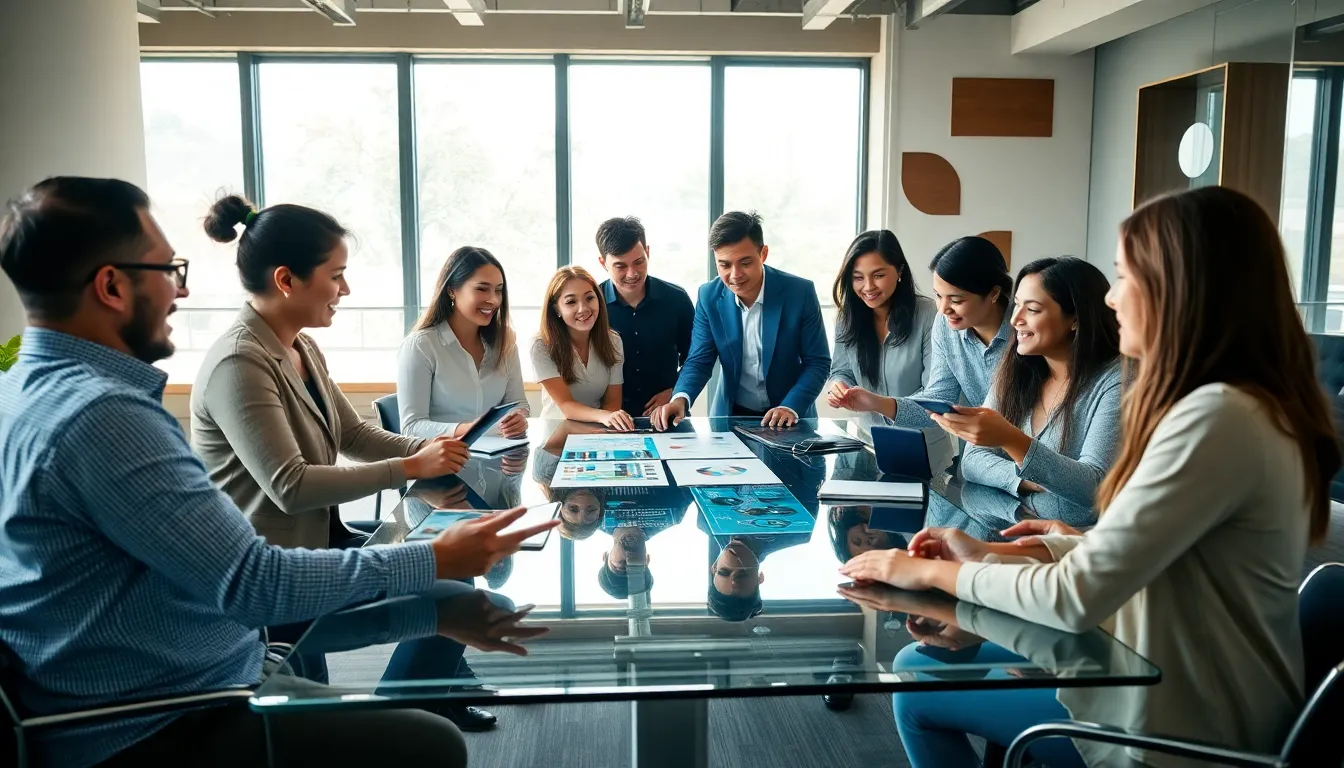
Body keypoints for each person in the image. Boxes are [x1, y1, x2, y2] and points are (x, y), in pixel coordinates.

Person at [0, 177, 556, 768]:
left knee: (431, 622)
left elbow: (340, 449)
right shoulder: (107, 415)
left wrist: (435, 601)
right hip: (167, 712)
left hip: (207, 655)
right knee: (432, 744)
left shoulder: (26, 392)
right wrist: (437, 558)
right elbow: (257, 584)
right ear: (111, 285)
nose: (181, 291)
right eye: (168, 270)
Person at [840, 186, 1341, 767]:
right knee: (925, 664)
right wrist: (994, 552)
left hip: (1178, 728)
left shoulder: (1215, 418)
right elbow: (1145, 546)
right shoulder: (1235, 407)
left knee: (917, 687)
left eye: (1124, 277)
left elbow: (1077, 593)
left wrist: (922, 569)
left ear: (1181, 289)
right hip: (1173, 679)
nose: (1110, 299)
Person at [193, 195, 469, 552]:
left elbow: (353, 436)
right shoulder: (238, 364)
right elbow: (292, 487)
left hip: (321, 544)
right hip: (269, 568)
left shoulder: (302, 347)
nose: (346, 289)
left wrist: (431, 449)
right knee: (454, 589)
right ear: (286, 280)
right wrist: (410, 466)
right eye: (336, 275)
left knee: (457, 565)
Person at [938, 256, 1122, 528]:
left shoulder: (1116, 381)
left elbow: (1094, 488)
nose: (1015, 320)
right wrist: (1023, 479)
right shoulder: (1017, 368)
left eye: (1032, 310)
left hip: (1076, 545)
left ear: (1075, 319)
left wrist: (1012, 440)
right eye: (1017, 306)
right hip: (1015, 526)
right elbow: (973, 461)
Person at [652, 211, 831, 430]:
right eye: (724, 265)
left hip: (790, 416)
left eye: (745, 262)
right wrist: (679, 399)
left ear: (763, 254)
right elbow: (699, 360)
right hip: (731, 417)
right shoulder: (709, 296)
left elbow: (818, 362)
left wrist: (790, 407)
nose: (735, 275)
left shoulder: (799, 293)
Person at [830, 236, 1012, 435]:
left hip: (1028, 453)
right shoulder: (945, 325)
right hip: (977, 456)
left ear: (994, 293)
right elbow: (939, 399)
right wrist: (875, 402)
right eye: (938, 296)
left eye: (956, 300)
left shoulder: (1024, 330)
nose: (943, 309)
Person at [825, 229, 953, 475]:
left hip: (924, 452)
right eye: (858, 277)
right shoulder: (847, 317)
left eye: (879, 275)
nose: (868, 287)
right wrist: (838, 387)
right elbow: (841, 370)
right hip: (866, 449)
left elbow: (935, 399)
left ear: (900, 271)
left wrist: (877, 403)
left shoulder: (930, 316)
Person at [398, 246, 528, 441]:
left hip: (497, 461)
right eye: (482, 289)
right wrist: (466, 428)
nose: (493, 300)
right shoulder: (421, 346)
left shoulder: (505, 341)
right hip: (441, 462)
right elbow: (411, 427)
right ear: (452, 290)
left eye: (498, 291)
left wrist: (519, 419)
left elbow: (518, 403)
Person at [594, 216, 695, 417]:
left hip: (669, 414)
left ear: (648, 252)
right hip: (608, 418)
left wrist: (676, 392)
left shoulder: (677, 299)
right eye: (621, 266)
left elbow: (695, 359)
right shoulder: (591, 305)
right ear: (603, 262)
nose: (632, 273)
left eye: (639, 262)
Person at [531, 265, 631, 429]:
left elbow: (613, 403)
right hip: (555, 437)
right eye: (571, 302)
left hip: (597, 432)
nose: (583, 309)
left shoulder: (613, 341)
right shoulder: (540, 345)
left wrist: (602, 432)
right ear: (557, 309)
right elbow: (566, 406)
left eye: (589, 298)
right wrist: (605, 417)